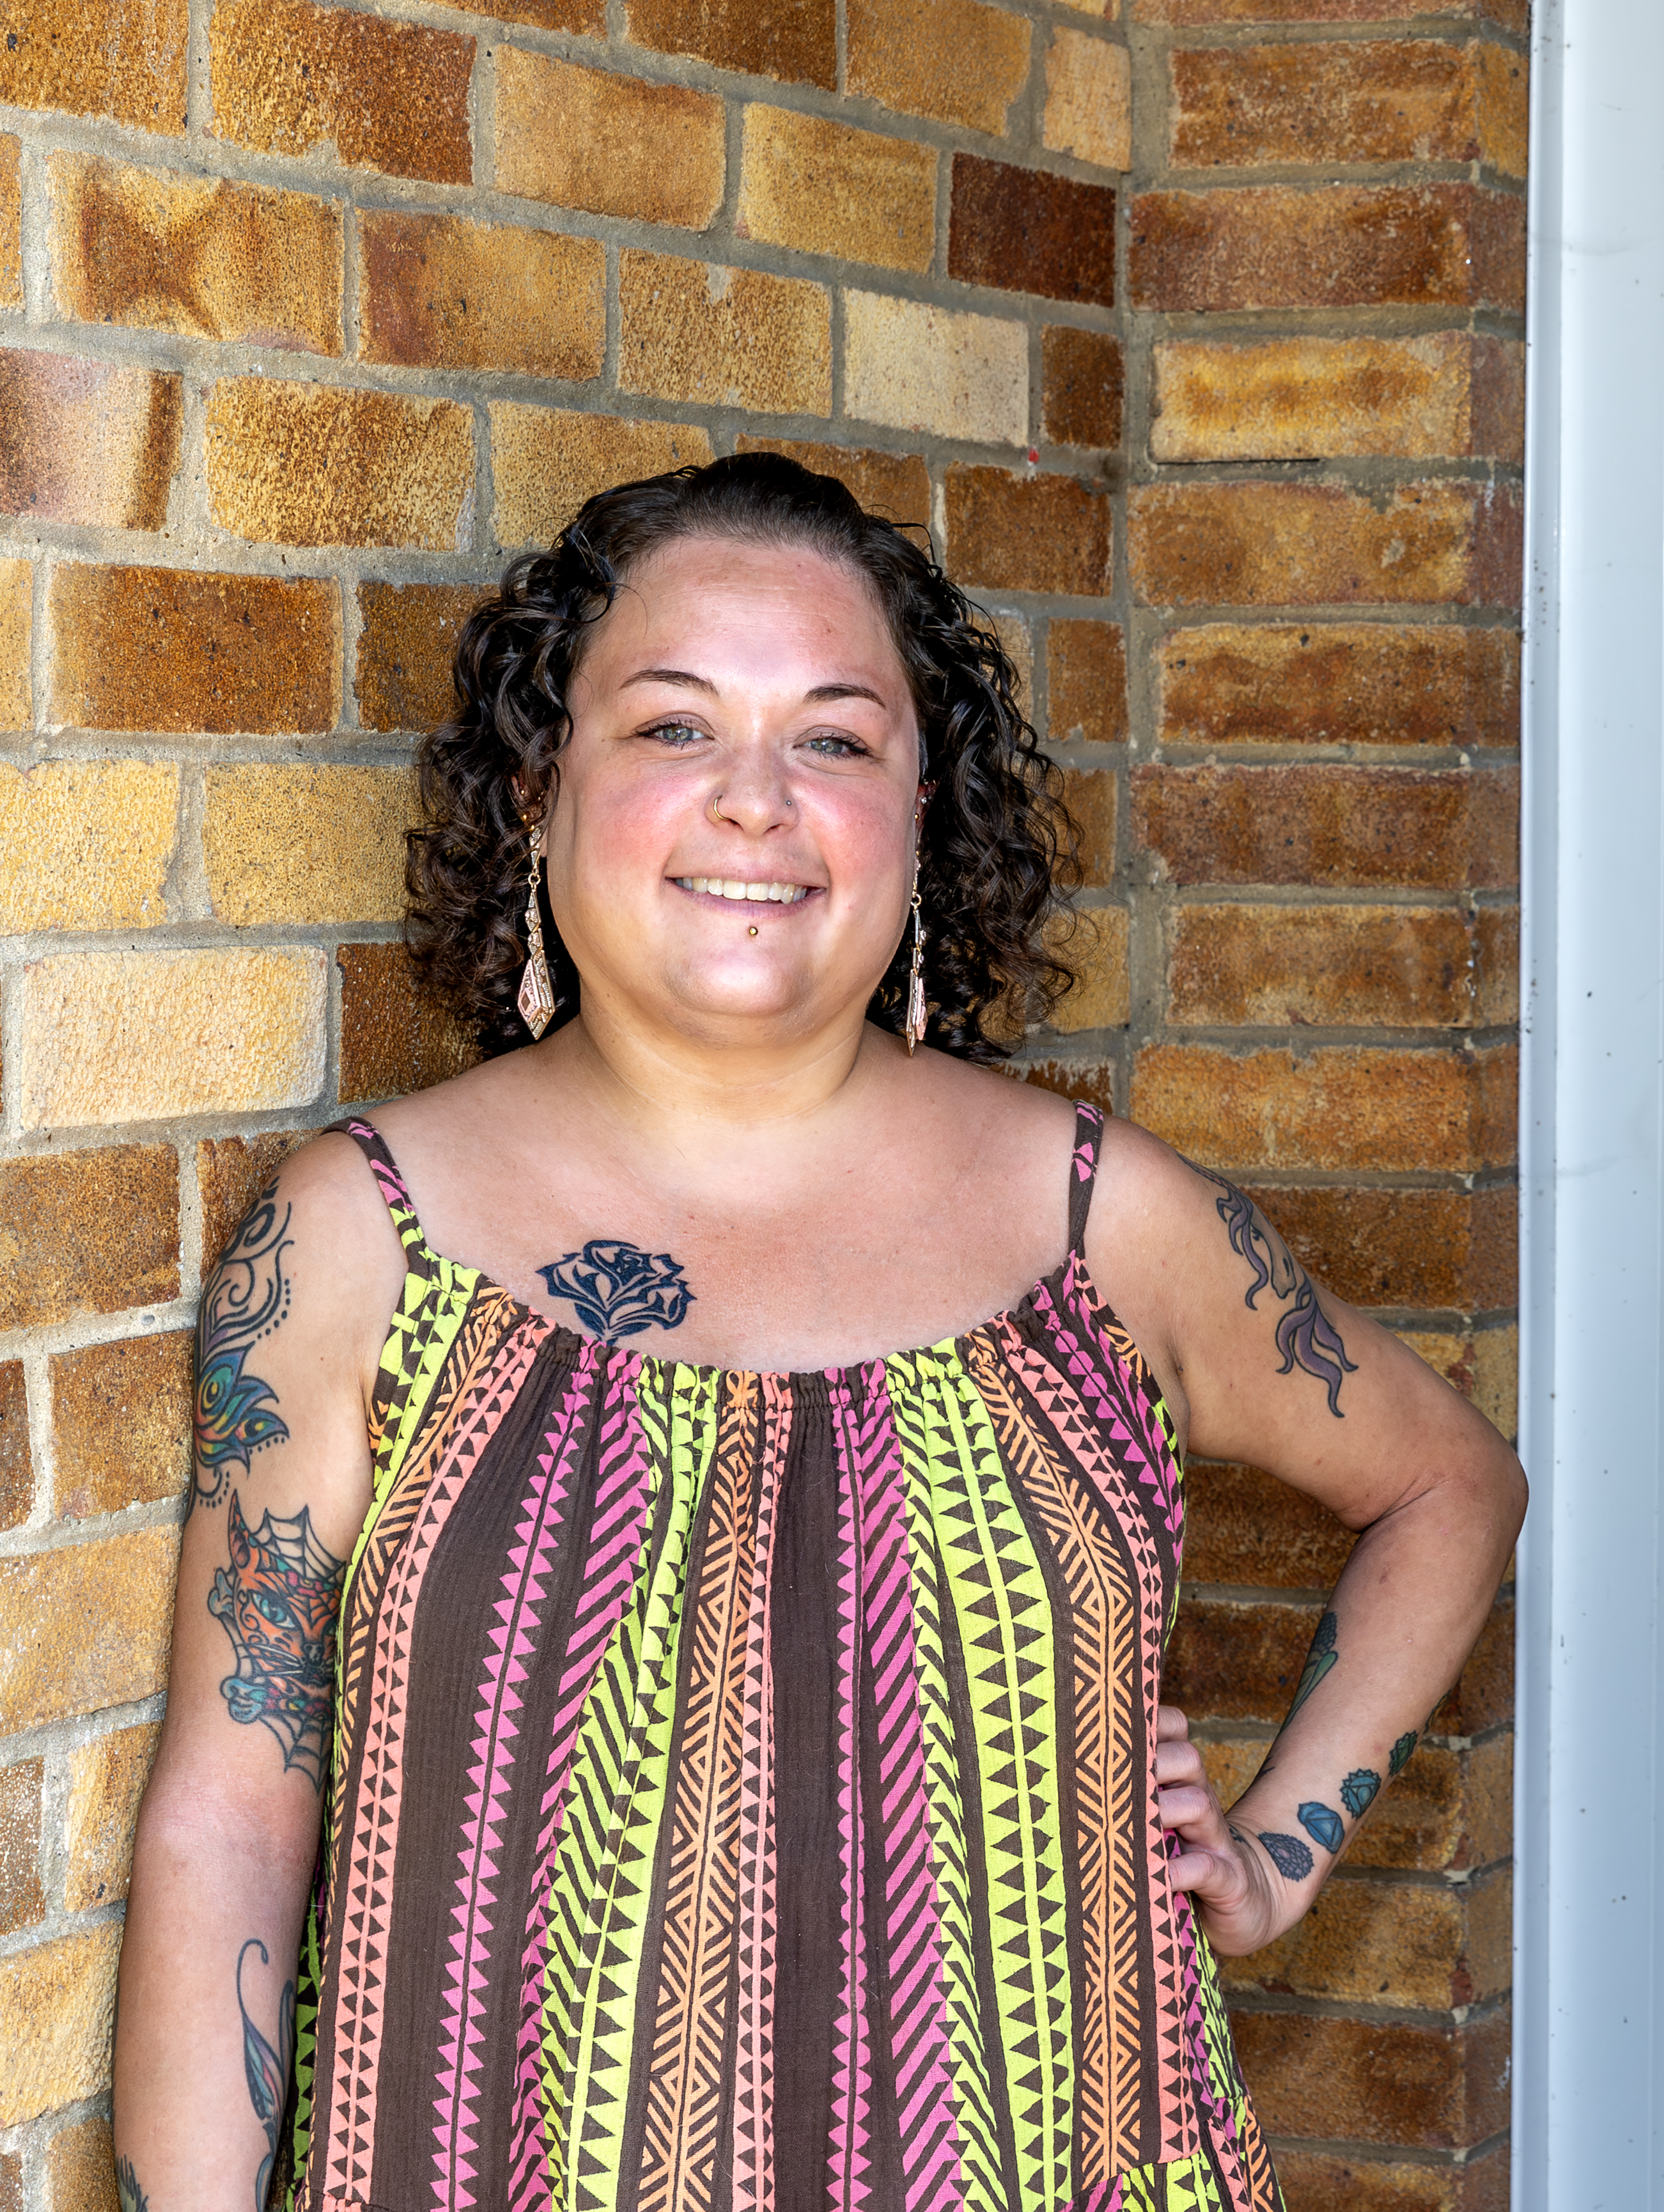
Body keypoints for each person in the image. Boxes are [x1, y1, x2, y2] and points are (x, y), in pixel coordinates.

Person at [113, 453, 1525, 2212]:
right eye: (676, 727)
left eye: (838, 738)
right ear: (543, 788)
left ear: (924, 812)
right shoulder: (357, 1242)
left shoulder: (1101, 1225)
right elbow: (229, 1822)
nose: (760, 802)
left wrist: (1273, 1851)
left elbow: (1450, 1481)